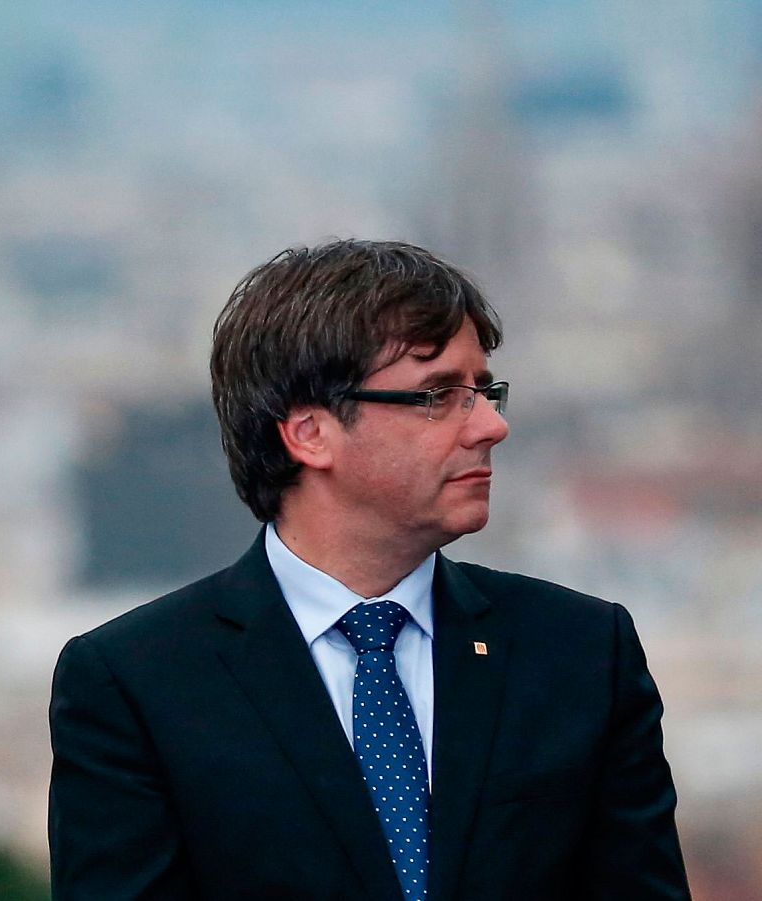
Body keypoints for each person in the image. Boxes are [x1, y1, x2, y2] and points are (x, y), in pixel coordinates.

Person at [48, 239, 688, 900]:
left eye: (484, 389)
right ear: (309, 432)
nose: (492, 424)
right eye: (440, 395)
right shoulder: (137, 682)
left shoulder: (581, 652)